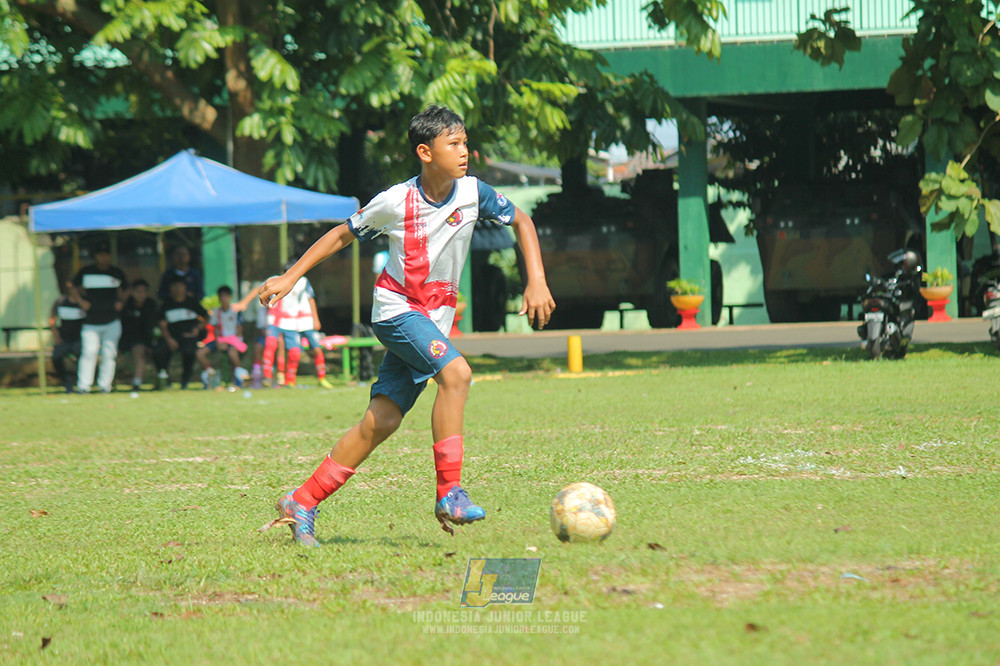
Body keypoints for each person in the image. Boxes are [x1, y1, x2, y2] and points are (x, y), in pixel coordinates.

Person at [257, 105, 555, 546]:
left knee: (382, 421)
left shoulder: (474, 192)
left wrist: (536, 280)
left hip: (432, 320)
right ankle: (449, 492)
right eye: (452, 144)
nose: (464, 151)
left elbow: (523, 221)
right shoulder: (396, 201)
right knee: (457, 375)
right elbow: (342, 234)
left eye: (465, 142)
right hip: (396, 311)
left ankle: (302, 500)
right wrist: (291, 275)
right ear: (425, 151)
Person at [71, 240, 127, 393]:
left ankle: (105, 385)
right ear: (95, 256)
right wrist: (81, 301)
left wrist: (121, 301)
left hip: (111, 321)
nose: (103, 258)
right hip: (91, 322)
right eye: (100, 255)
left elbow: (127, 288)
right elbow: (72, 286)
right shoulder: (86, 271)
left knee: (109, 353)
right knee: (89, 352)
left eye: (106, 255)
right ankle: (84, 386)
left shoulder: (116, 272)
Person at [153, 276, 209, 390]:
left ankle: (185, 380)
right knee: (158, 351)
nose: (177, 289)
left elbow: (206, 316)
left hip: (188, 337)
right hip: (170, 337)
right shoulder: (166, 304)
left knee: (189, 351)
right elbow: (162, 325)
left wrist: (198, 328)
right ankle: (165, 379)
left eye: (180, 286)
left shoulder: (192, 302)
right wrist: (169, 340)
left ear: (185, 287)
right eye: (175, 286)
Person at [261, 272, 308, 388]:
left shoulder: (302, 282)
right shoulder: (273, 279)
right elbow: (261, 294)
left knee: (294, 352)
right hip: (275, 320)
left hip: (291, 322)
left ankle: (290, 380)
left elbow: (306, 300)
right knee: (271, 345)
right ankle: (267, 376)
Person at [197, 285, 247, 387]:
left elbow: (239, 329)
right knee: (200, 353)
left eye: (226, 296)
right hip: (219, 340)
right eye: (221, 296)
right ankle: (211, 372)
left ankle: (239, 377)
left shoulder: (235, 311)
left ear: (230, 297)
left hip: (233, 340)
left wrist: (231, 342)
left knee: (232, 353)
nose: (223, 299)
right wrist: (217, 341)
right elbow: (215, 328)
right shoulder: (216, 311)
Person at [293, 273, 334, 389]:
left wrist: (315, 319)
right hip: (292, 323)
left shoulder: (303, 281)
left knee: (317, 349)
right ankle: (290, 380)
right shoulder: (283, 283)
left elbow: (311, 299)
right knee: (294, 353)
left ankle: (322, 378)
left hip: (307, 322)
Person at [119, 279, 158, 391]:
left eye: (144, 291)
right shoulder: (126, 305)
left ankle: (137, 383)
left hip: (144, 339)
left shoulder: (151, 305)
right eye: (138, 291)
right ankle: (107, 384)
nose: (141, 294)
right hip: (124, 338)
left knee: (140, 351)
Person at [49, 285, 86, 393]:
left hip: (80, 338)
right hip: (64, 338)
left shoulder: (84, 301)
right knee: (56, 357)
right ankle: (67, 381)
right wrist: (56, 336)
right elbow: (52, 319)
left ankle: (81, 382)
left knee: (82, 358)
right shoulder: (60, 302)